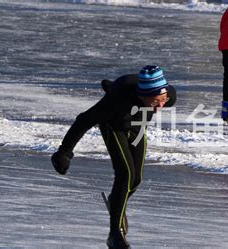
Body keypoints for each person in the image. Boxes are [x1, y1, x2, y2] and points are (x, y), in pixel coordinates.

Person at [51, 65, 176, 249]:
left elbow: (160, 97)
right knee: (125, 174)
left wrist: (160, 100)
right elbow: (83, 120)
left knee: (135, 180)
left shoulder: (168, 94)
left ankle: (116, 200)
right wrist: (64, 153)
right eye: (155, 102)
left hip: (136, 126)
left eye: (163, 101)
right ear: (142, 96)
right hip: (113, 125)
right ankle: (115, 234)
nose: (159, 108)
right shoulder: (115, 102)